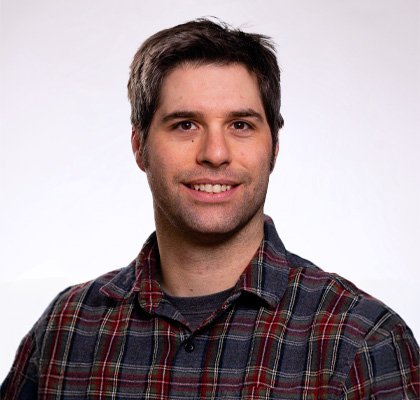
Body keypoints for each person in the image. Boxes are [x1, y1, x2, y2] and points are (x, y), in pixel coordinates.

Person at [1, 18, 419, 400]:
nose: (215, 154)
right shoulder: (65, 330)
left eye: (240, 125)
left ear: (273, 147)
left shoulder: (363, 343)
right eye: (185, 125)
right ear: (139, 146)